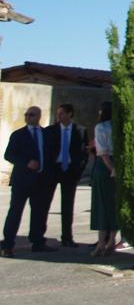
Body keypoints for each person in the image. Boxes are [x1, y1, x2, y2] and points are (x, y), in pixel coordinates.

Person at [2, 105, 53, 256]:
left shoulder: (46, 134)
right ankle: (8, 244)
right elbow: (9, 155)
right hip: (22, 180)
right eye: (26, 115)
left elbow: (50, 155)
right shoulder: (18, 135)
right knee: (15, 212)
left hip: (40, 180)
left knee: (39, 212)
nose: (28, 117)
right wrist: (26, 162)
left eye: (31, 115)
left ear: (39, 116)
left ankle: (37, 242)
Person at [43, 103, 87, 248]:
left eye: (62, 113)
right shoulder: (50, 131)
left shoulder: (80, 131)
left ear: (70, 114)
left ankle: (67, 237)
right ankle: (39, 237)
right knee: (44, 203)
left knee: (67, 206)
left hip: (70, 171)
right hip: (54, 170)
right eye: (58, 113)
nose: (59, 116)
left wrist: (79, 170)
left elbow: (84, 153)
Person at [89, 102, 118, 257]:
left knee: (101, 205)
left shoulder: (101, 127)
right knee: (114, 204)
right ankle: (112, 240)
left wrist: (110, 168)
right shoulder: (119, 126)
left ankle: (101, 242)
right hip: (117, 165)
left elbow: (102, 152)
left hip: (103, 168)